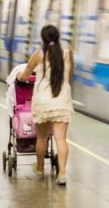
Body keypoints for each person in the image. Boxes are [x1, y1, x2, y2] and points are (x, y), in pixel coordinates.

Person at [16, 24, 73, 185]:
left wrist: (20, 75)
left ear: (43, 39)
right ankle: (61, 173)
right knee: (61, 139)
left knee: (42, 137)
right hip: (62, 99)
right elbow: (69, 75)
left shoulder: (38, 55)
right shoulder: (68, 54)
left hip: (42, 101)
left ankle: (40, 168)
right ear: (58, 37)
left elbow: (24, 76)